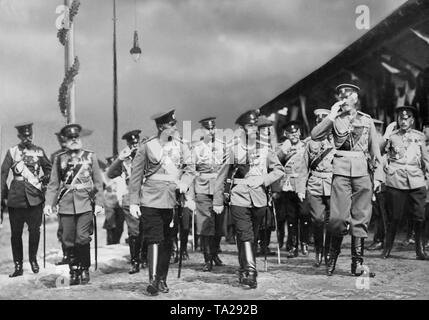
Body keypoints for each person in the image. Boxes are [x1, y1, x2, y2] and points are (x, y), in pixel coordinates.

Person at [311, 83, 383, 277]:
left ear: (356, 99)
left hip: (362, 173)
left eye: (348, 96)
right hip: (341, 172)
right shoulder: (335, 119)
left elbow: (375, 150)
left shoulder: (366, 121)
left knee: (361, 218)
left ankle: (357, 263)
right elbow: (315, 135)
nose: (344, 99)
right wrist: (331, 116)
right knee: (338, 219)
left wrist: (378, 177)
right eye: (341, 96)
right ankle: (332, 257)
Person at [213, 110, 284, 289]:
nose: (254, 129)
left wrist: (265, 180)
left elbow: (279, 170)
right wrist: (218, 201)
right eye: (250, 125)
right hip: (239, 196)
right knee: (245, 233)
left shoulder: (265, 148)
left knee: (251, 236)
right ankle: (252, 272)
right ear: (243, 128)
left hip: (259, 198)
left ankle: (243, 268)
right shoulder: (233, 148)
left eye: (256, 126)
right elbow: (221, 176)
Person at [128, 109, 195, 296]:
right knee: (154, 238)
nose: (175, 127)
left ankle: (162, 279)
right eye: (171, 125)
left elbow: (190, 169)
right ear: (160, 127)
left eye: (175, 124)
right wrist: (134, 202)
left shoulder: (182, 146)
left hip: (172, 199)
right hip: (151, 198)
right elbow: (136, 175)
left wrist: (184, 183)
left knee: (167, 240)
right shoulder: (147, 146)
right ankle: (153, 279)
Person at [44, 124, 104, 285]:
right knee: (68, 239)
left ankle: (84, 268)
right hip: (66, 205)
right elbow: (53, 184)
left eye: (76, 137)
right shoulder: (60, 159)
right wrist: (48, 203)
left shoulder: (90, 157)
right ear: (65, 140)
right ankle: (74, 270)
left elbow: (99, 183)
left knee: (82, 237)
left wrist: (99, 203)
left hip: (85, 203)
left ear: (80, 138)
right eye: (70, 138)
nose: (74, 140)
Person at [1, 122, 52, 277]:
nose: (27, 138)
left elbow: (49, 169)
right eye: (24, 136)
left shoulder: (39, 151)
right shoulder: (12, 152)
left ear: (33, 135)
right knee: (16, 234)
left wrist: (46, 179)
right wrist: (4, 195)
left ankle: (33, 260)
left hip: (35, 198)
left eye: (29, 135)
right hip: (16, 199)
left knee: (34, 231)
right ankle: (18, 266)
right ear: (19, 137)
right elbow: (3, 175)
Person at [381, 106, 429, 260]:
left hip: (416, 180)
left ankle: (420, 250)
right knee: (394, 217)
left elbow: (425, 159)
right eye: (401, 118)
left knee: (419, 216)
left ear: (412, 120)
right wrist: (386, 135)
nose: (403, 121)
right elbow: (381, 152)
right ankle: (387, 249)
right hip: (396, 180)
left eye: (407, 118)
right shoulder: (393, 136)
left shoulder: (420, 136)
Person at [299, 109, 335, 267]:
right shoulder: (309, 143)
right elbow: (303, 167)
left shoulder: (338, 141)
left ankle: (329, 252)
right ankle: (319, 251)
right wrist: (301, 188)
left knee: (333, 221)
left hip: (333, 184)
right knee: (318, 220)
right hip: (314, 184)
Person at [106, 131, 146, 273]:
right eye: (131, 143)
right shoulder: (125, 160)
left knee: (146, 228)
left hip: (147, 196)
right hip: (130, 197)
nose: (134, 145)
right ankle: (135, 261)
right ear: (128, 145)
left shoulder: (147, 155)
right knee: (134, 231)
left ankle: (146, 257)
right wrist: (119, 158)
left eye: (136, 142)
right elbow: (110, 174)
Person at [189, 117, 225, 271]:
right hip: (203, 189)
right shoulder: (196, 148)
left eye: (213, 128)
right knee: (205, 224)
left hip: (218, 189)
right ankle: (207, 258)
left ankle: (215, 253)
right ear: (202, 131)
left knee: (218, 224)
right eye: (208, 129)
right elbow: (190, 171)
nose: (211, 131)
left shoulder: (222, 146)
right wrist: (190, 196)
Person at [275, 120, 310, 258]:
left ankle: (304, 243)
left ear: (300, 133)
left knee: (305, 214)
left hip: (303, 184)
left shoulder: (306, 146)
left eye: (296, 133)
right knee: (291, 217)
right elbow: (276, 161)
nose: (294, 135)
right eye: (291, 133)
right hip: (288, 185)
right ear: (286, 134)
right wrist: (284, 150)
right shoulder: (282, 148)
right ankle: (292, 246)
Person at [367, 119, 388, 251]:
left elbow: (378, 162)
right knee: (379, 213)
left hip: (382, 183)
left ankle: (381, 240)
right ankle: (379, 239)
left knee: (382, 214)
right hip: (375, 182)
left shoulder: (380, 140)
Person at [50, 132, 70, 265]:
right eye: (60, 140)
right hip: (61, 196)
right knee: (62, 228)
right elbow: (53, 178)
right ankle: (67, 256)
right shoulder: (55, 156)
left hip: (77, 194)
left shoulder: (78, 155)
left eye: (64, 140)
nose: (62, 142)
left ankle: (77, 255)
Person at [103, 156, 125, 245]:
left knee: (120, 223)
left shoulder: (122, 173)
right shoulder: (106, 175)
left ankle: (116, 241)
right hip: (110, 201)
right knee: (111, 223)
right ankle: (111, 242)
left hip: (120, 201)